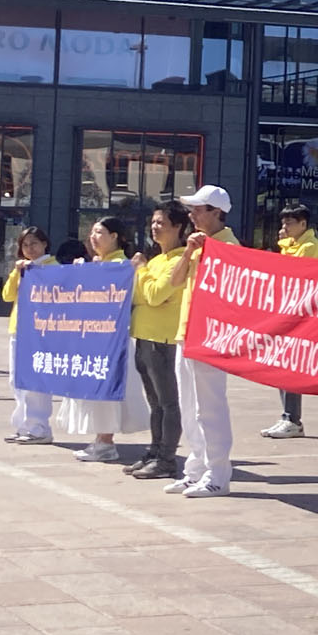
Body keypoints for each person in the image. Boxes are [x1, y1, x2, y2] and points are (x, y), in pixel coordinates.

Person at [165, 186, 241, 497]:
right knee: (189, 405)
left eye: (198, 209)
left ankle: (218, 473)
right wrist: (187, 251)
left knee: (210, 406)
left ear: (216, 212)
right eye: (192, 209)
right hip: (186, 331)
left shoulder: (230, 246)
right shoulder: (196, 244)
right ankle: (195, 468)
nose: (192, 214)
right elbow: (175, 281)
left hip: (211, 336)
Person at [61, 218, 146, 463]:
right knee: (96, 391)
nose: (93, 237)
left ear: (116, 236)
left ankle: (106, 442)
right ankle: (101, 438)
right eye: (92, 233)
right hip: (94, 338)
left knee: (106, 391)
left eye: (100, 232)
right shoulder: (102, 264)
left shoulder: (121, 265)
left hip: (111, 340)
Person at [125, 201, 191, 480]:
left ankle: (166, 458)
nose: (155, 227)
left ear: (178, 227)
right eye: (153, 222)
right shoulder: (156, 261)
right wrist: (147, 276)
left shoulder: (177, 261)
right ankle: (154, 451)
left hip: (163, 339)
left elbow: (154, 295)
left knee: (169, 403)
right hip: (144, 336)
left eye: (161, 222)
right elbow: (141, 297)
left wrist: (141, 270)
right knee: (155, 403)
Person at [262, 202, 318, 440]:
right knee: (281, 365)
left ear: (303, 224)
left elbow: (292, 272)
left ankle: (292, 418)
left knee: (290, 367)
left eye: (290, 222)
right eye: (283, 222)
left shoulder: (310, 246)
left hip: (301, 316)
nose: (284, 226)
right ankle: (287, 416)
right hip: (287, 312)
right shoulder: (294, 244)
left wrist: (283, 247)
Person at [2, 227, 55, 441]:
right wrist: (17, 273)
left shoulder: (54, 267)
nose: (29, 249)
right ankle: (24, 425)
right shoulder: (24, 268)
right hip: (19, 329)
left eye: (34, 243)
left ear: (44, 244)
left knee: (37, 380)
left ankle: (39, 426)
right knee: (17, 380)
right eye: (25, 245)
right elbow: (7, 295)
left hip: (41, 331)